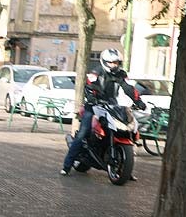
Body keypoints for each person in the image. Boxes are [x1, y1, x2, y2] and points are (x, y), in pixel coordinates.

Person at [61, 48, 145, 176]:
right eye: (110, 63)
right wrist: (91, 97)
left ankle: (126, 168)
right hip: (93, 105)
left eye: (116, 63)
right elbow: (89, 85)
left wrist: (138, 101)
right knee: (82, 134)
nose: (113, 65)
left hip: (111, 105)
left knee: (127, 130)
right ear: (104, 62)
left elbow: (128, 88)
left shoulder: (121, 74)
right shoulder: (96, 72)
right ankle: (67, 166)